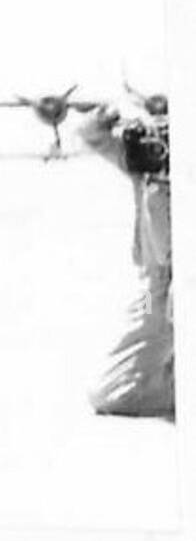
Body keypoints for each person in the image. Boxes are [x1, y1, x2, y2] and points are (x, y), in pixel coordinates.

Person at [79, 103, 173, 419]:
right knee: (107, 390)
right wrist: (104, 117)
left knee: (112, 392)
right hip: (154, 289)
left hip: (175, 287)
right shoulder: (145, 167)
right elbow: (92, 136)